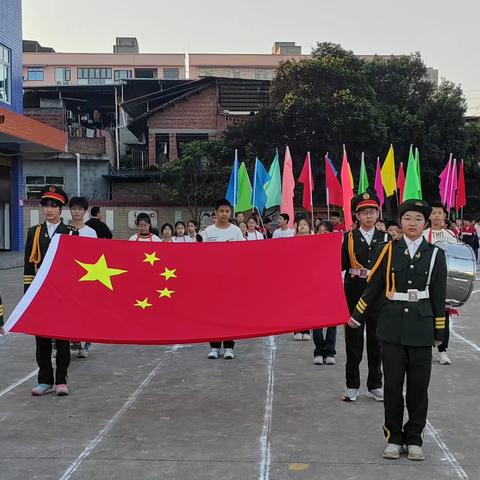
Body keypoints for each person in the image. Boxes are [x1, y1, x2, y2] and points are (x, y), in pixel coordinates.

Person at [348, 199, 447, 461]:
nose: (412, 223)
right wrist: (357, 314)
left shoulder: (436, 254)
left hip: (422, 326)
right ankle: (393, 437)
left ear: (425, 223)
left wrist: (439, 333)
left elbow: (439, 297)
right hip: (391, 326)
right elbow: (375, 286)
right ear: (399, 222)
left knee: (418, 387)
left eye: (417, 219)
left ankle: (414, 437)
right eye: (407, 218)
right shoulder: (387, 250)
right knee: (392, 386)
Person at [24, 186, 79, 396]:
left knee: (63, 339)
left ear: (61, 209)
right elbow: (29, 266)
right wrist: (27, 296)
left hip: (63, 295)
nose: (49, 210)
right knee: (42, 339)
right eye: (46, 205)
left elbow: (77, 268)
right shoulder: (34, 232)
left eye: (53, 205)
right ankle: (45, 380)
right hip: (40, 294)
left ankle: (61, 381)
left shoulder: (71, 233)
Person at [342, 192, 388, 402]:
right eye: (364, 212)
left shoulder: (386, 238)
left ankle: (375, 385)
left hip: (379, 297)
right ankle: (352, 385)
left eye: (372, 211)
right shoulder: (348, 238)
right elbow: (337, 266)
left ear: (378, 213)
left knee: (376, 342)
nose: (369, 216)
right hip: (354, 294)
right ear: (356, 215)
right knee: (353, 342)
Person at [202, 199, 245, 359]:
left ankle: (229, 347)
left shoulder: (236, 231)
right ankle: (214, 347)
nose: (224, 214)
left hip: (230, 279)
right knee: (213, 312)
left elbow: (244, 254)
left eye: (227, 211)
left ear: (230, 212)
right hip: (212, 279)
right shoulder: (208, 231)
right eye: (221, 211)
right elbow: (200, 253)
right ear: (216, 212)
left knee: (229, 313)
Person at [422, 202, 457, 366]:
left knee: (443, 316)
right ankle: (427, 349)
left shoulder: (451, 235)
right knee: (427, 316)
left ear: (444, 216)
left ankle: (443, 350)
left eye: (439, 213)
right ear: (429, 216)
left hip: (444, 282)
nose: (436, 216)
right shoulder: (423, 234)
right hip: (427, 281)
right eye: (433, 213)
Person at [69, 196, 97, 358]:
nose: (76, 212)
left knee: (85, 311)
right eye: (74, 209)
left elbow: (95, 255)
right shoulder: (64, 229)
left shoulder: (90, 232)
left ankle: (85, 343)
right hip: (69, 277)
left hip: (87, 276)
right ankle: (71, 341)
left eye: (80, 209)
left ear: (85, 211)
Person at [313, 221, 337, 364]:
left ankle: (330, 352)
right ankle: (319, 351)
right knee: (316, 322)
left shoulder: (336, 247)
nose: (322, 233)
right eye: (319, 230)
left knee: (332, 322)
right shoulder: (310, 248)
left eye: (325, 231)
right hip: (315, 288)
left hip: (332, 287)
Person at [293, 218, 313, 341]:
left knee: (308, 304)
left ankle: (306, 329)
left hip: (309, 276)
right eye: (300, 225)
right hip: (296, 276)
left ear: (309, 227)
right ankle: (296, 330)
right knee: (296, 303)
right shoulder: (293, 240)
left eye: (305, 224)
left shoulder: (314, 240)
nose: (302, 227)